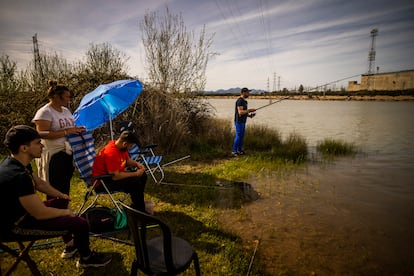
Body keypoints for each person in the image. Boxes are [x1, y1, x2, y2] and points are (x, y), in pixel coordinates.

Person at [0, 125, 111, 268]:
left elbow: (40, 184)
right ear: (24, 148)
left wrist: (60, 195)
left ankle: (71, 245)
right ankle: (86, 258)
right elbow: (39, 213)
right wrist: (66, 213)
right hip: (13, 226)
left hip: (21, 212)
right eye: (38, 143)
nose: (42, 146)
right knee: (80, 223)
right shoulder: (18, 176)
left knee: (62, 202)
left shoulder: (15, 163)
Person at [32, 80, 86, 204]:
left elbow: (70, 128)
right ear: (56, 97)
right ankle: (54, 215)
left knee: (65, 185)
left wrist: (77, 130)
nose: (69, 99)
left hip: (67, 152)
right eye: (66, 96)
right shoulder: (45, 112)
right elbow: (40, 134)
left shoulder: (66, 111)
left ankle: (64, 212)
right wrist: (66, 132)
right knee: (55, 187)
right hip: (53, 154)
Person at [92, 130, 148, 212]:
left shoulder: (120, 147)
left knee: (143, 176)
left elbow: (127, 160)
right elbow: (116, 176)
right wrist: (135, 174)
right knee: (135, 182)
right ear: (125, 144)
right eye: (131, 146)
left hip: (112, 176)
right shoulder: (111, 153)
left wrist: (137, 164)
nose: (131, 148)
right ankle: (140, 211)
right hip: (102, 182)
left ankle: (137, 205)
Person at [232, 87, 256, 156]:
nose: (249, 94)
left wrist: (249, 115)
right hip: (238, 121)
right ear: (243, 93)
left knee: (241, 136)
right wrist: (249, 110)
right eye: (248, 92)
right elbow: (240, 112)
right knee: (238, 136)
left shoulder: (245, 101)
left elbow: (244, 113)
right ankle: (234, 151)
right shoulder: (240, 101)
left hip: (243, 121)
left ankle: (239, 150)